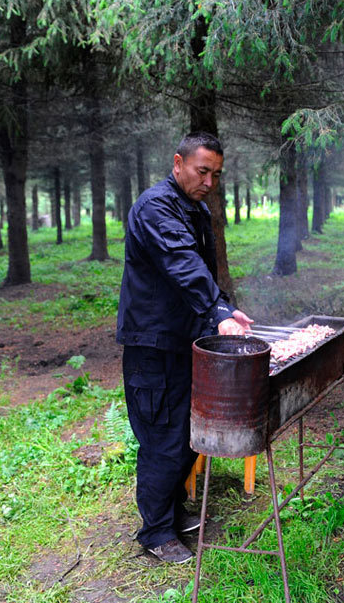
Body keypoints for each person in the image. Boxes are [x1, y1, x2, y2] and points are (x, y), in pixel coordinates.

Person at [116, 131, 253, 564]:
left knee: (184, 434)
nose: (210, 181)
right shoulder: (157, 207)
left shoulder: (191, 208)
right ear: (178, 164)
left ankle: (171, 515)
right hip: (152, 344)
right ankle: (155, 532)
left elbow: (201, 272)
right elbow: (181, 262)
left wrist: (223, 309)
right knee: (161, 437)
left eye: (216, 174)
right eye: (202, 171)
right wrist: (218, 311)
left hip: (181, 341)